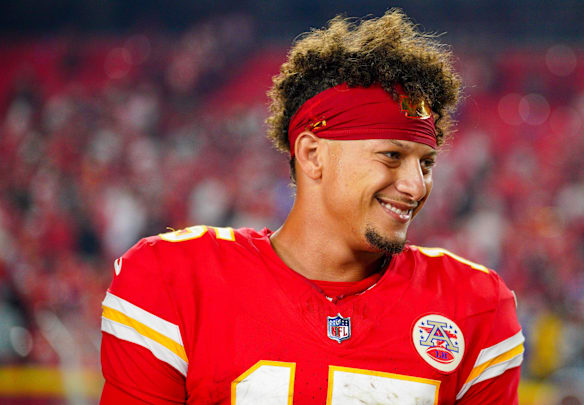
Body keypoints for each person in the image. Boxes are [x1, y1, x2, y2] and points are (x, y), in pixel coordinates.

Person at [99, 9, 524, 404]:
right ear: (312, 154)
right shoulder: (174, 279)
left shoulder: (475, 306)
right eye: (391, 156)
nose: (416, 186)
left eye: (426, 163)